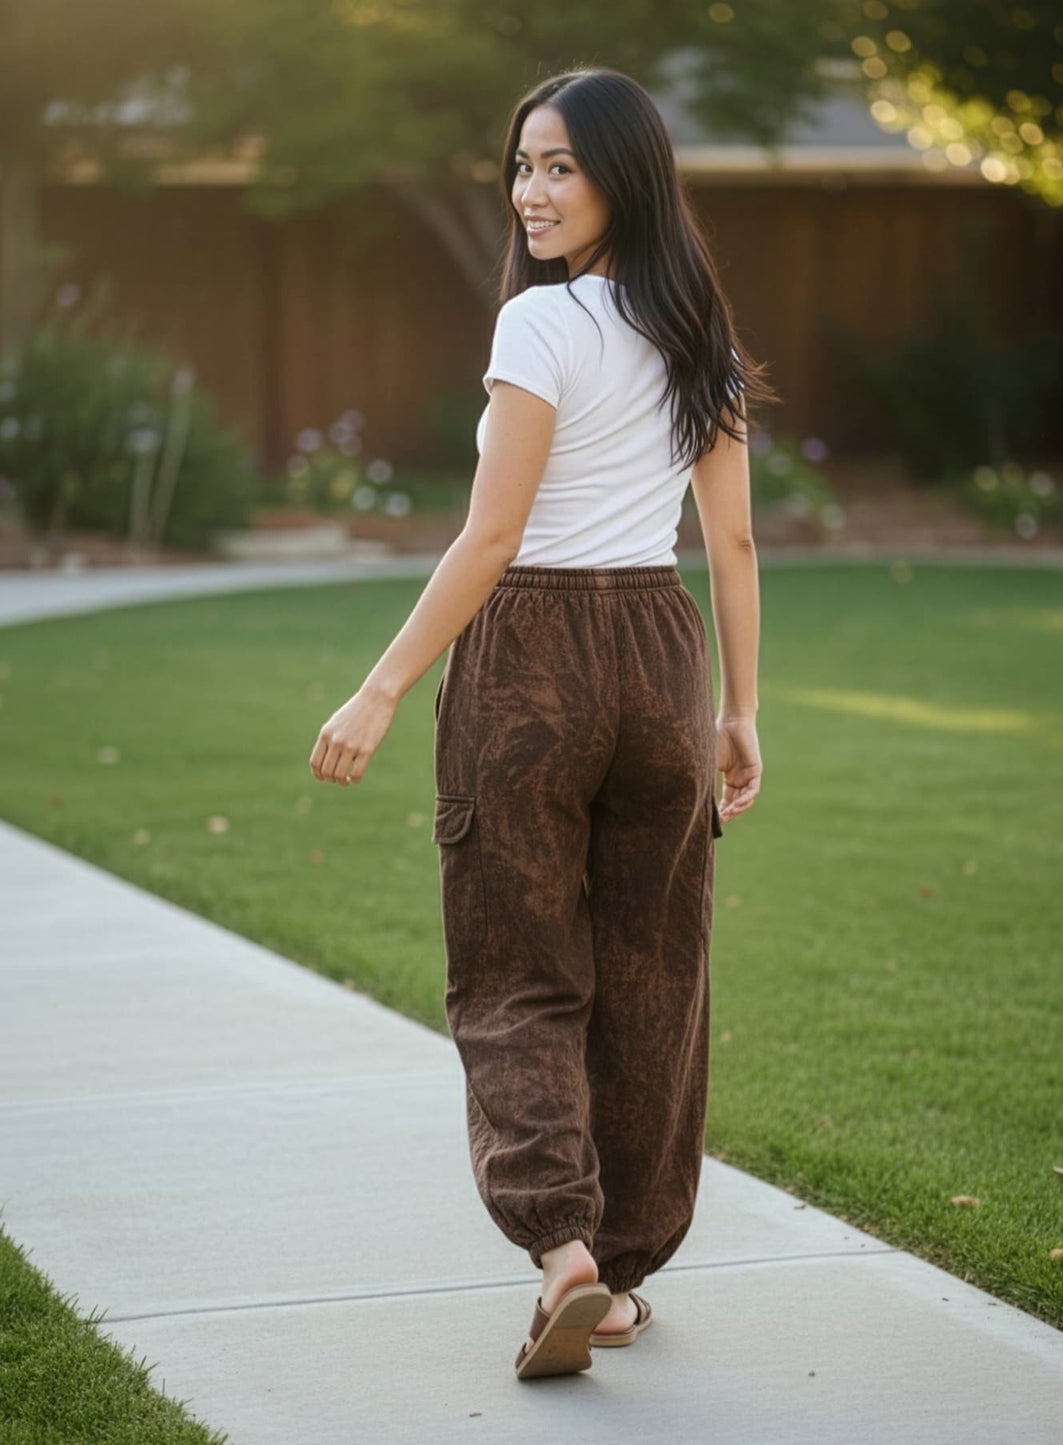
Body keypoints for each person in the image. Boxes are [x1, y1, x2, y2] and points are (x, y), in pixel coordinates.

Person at [309, 66, 771, 1380]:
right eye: (521, 165)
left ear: (622, 174)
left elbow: (494, 532)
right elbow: (728, 542)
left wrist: (385, 681)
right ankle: (619, 1274)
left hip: (531, 658)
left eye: (560, 165)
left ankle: (564, 1249)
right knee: (650, 975)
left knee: (517, 971)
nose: (530, 190)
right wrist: (737, 709)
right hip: (660, 657)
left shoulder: (541, 328)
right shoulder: (699, 337)